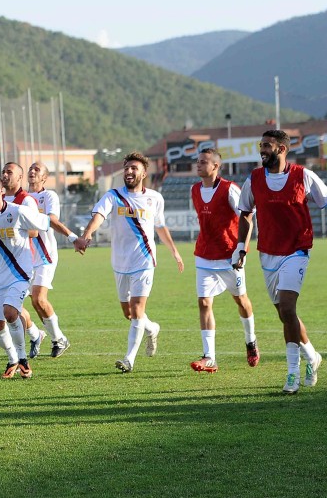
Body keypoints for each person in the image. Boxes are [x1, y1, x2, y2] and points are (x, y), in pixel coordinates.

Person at [232, 130, 327, 394]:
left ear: (282, 149)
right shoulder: (253, 179)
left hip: (296, 251)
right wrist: (241, 247)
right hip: (268, 253)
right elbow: (245, 214)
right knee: (285, 315)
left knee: (288, 308)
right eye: (261, 145)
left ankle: (292, 374)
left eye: (267, 146)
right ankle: (312, 356)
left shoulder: (303, 176)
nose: (262, 150)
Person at [75, 152, 184, 373]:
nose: (129, 172)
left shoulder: (155, 198)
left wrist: (174, 252)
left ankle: (129, 359)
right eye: (126, 168)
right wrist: (87, 234)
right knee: (129, 313)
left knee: (136, 308)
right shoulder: (113, 196)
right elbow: (98, 216)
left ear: (143, 173)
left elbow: (160, 226)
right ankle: (152, 329)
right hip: (120, 263)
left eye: (134, 168)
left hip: (144, 261)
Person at [189, 148, 258, 373]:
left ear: (216, 166)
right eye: (198, 161)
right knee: (204, 303)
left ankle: (251, 340)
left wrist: (241, 249)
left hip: (230, 257)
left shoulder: (230, 189)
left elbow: (246, 218)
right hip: (204, 255)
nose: (199, 165)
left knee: (241, 300)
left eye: (203, 162)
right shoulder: (194, 189)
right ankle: (209, 357)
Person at [0, 173, 50, 378]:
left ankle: (23, 359)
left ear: (2, 191)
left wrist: (73, 237)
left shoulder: (18, 211)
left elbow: (46, 222)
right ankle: (12, 360)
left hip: (20, 273)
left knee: (10, 313)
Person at [25, 161, 76, 358]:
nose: (32, 171)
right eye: (30, 168)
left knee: (39, 298)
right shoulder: (21, 197)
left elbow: (52, 221)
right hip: (25, 257)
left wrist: (72, 237)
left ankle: (59, 339)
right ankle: (44, 335)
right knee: (33, 303)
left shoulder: (48, 196)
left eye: (37, 170)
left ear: (44, 178)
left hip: (45, 255)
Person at [0, 161, 46, 357]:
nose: (5, 175)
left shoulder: (26, 200)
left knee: (10, 310)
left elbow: (34, 231)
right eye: (3, 171)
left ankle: (20, 357)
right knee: (12, 308)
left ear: (20, 177)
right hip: (2, 263)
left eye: (9, 172)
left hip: (21, 263)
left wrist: (10, 227)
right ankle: (36, 334)